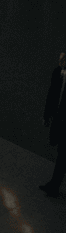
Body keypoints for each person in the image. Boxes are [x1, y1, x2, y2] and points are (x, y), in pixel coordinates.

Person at [40, 52, 66, 197]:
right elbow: (52, 94)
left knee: (62, 155)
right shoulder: (58, 72)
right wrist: (47, 115)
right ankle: (54, 184)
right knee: (62, 154)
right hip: (60, 120)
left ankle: (54, 184)